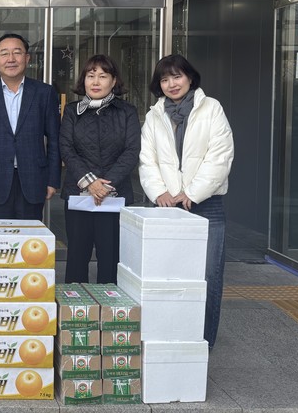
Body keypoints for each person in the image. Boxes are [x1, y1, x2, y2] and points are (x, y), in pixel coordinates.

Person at [139, 54, 234, 348]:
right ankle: (170, 337)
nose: (172, 84)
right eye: (165, 79)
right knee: (166, 275)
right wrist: (159, 192)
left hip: (205, 205)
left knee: (208, 276)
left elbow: (220, 156)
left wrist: (192, 193)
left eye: (177, 76)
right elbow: (147, 160)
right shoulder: (154, 116)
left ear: (190, 78)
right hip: (166, 206)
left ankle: (203, 342)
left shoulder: (211, 108)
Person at [59, 54, 140, 284]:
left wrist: (105, 185)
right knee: (77, 256)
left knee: (111, 257)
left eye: (103, 76)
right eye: (90, 75)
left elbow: (132, 151)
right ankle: (76, 304)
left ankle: (110, 305)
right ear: (83, 80)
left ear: (113, 81)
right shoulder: (72, 111)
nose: (95, 82)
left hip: (114, 196)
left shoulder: (127, 111)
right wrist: (90, 182)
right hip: (79, 195)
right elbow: (66, 148)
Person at [0, 33, 60, 220]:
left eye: (17, 53)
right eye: (4, 53)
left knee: (30, 236)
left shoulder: (44, 93)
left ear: (27, 58)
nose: (11, 59)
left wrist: (53, 180)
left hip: (34, 179)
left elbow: (55, 140)